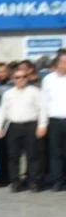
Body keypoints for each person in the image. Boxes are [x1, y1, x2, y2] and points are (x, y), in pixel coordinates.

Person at [0, 63, 48, 193]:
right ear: (14, 79)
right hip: (14, 127)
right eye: (18, 77)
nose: (21, 79)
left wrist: (42, 125)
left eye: (24, 76)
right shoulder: (8, 94)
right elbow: (2, 111)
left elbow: (42, 109)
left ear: (27, 77)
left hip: (31, 126)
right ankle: (15, 182)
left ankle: (34, 182)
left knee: (33, 156)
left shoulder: (35, 92)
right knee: (13, 157)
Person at [44, 51, 66, 192]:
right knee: (55, 153)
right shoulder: (48, 79)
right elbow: (44, 101)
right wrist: (43, 123)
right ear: (57, 64)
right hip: (54, 121)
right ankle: (57, 181)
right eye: (63, 62)